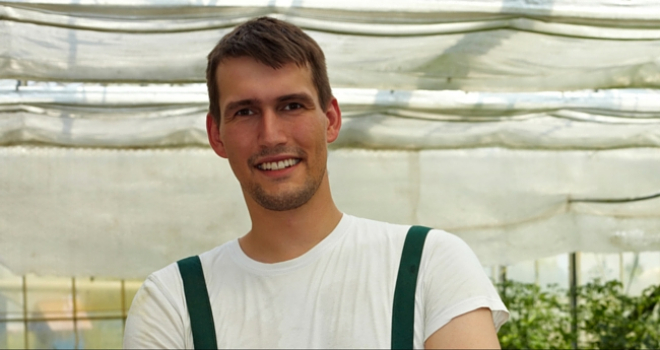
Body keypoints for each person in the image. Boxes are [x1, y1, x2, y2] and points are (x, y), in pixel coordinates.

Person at [124, 16, 508, 349]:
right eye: (245, 112)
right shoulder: (173, 301)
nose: (271, 135)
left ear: (331, 120)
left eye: (292, 106)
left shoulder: (428, 264)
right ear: (216, 134)